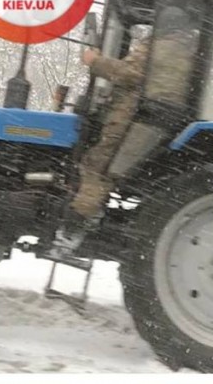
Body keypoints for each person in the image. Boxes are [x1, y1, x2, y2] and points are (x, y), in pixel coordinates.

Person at [47, 29, 151, 257]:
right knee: (96, 167)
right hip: (128, 119)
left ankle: (68, 234)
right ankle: (87, 216)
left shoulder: (160, 44)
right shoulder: (174, 42)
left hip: (125, 120)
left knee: (96, 171)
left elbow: (130, 73)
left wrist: (95, 61)